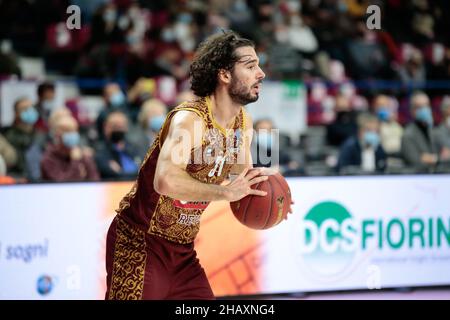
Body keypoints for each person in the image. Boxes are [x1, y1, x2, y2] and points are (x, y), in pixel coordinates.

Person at [105, 31, 293, 300]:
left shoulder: (243, 122)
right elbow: (165, 180)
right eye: (251, 66)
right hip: (139, 241)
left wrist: (277, 198)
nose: (261, 73)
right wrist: (226, 193)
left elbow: (245, 176)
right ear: (224, 74)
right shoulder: (189, 120)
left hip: (183, 251)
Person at [40, 115, 99, 182]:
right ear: (57, 135)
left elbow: (95, 178)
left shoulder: (81, 153)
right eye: (67, 131)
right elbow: (65, 185)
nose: (72, 134)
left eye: (74, 130)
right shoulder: (48, 159)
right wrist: (75, 161)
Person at [401, 91, 438, 170]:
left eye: (427, 105)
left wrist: (431, 158)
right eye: (419, 107)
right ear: (412, 110)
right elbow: (415, 162)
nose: (424, 109)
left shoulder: (434, 131)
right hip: (418, 179)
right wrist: (436, 159)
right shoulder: (407, 135)